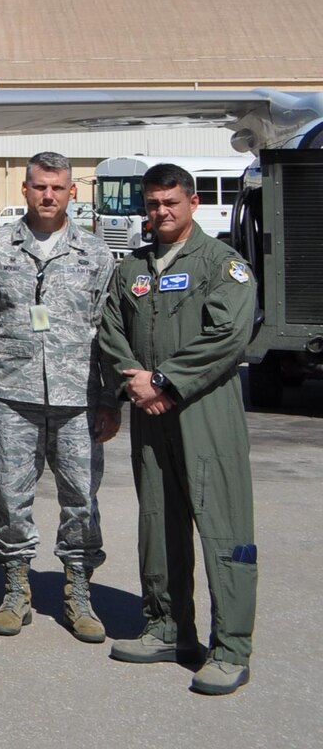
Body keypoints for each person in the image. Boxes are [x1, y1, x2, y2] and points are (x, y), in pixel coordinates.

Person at [96, 163, 257, 696]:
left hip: (204, 411)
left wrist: (164, 380)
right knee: (158, 521)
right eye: (153, 203)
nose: (161, 212)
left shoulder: (221, 264)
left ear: (191, 203)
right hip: (150, 412)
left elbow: (228, 335)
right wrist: (135, 384)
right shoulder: (133, 266)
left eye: (171, 202)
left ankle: (231, 647)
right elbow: (112, 329)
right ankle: (168, 627)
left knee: (223, 528)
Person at [0, 152, 119, 644]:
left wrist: (110, 398)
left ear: (72, 192)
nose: (48, 196)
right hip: (11, 393)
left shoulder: (96, 254)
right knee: (11, 495)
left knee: (81, 498)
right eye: (38, 187)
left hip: (78, 397)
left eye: (57, 187)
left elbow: (107, 329)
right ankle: (16, 588)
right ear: (24, 191)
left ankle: (77, 589)